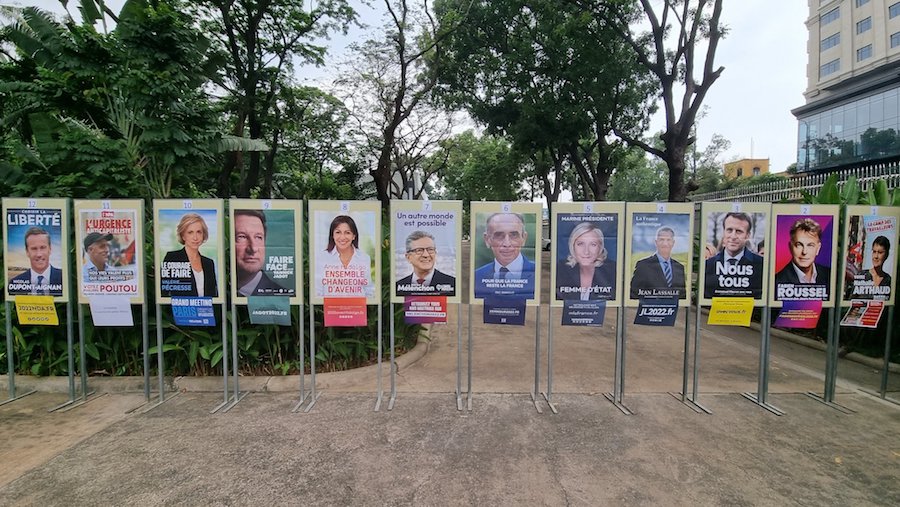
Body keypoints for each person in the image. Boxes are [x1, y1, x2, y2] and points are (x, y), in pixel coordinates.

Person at [473, 213, 536, 298]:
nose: (507, 244)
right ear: (487, 240)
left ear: (524, 238)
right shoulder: (477, 276)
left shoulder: (536, 273)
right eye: (499, 235)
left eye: (513, 235)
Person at [703, 212, 764, 299]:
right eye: (729, 230)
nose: (733, 236)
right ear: (724, 232)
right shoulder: (708, 265)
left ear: (747, 235)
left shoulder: (760, 265)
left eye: (739, 231)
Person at [316, 215, 375, 298]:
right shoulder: (322, 258)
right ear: (332, 235)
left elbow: (368, 289)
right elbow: (318, 291)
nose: (342, 237)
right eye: (338, 232)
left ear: (354, 236)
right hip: (332, 309)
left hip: (357, 309)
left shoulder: (364, 258)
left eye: (347, 233)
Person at [161, 213, 218, 297]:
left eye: (199, 232)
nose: (195, 237)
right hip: (181, 309)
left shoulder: (209, 263)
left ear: (203, 235)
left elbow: (214, 294)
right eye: (190, 232)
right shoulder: (172, 258)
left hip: (205, 310)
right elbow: (164, 292)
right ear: (183, 236)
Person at [556, 222, 616, 301]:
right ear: (572, 246)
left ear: (600, 248)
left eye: (593, 244)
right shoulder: (561, 269)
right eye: (580, 244)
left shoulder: (613, 271)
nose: (586, 251)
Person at [234, 209, 288, 296]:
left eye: (258, 237)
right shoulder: (217, 292)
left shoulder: (285, 298)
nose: (253, 248)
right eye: (242, 237)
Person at [774, 217, 830, 299]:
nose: (804, 252)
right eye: (799, 245)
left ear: (818, 248)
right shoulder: (777, 281)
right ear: (790, 247)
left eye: (810, 245)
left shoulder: (829, 276)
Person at [629, 226, 686, 299]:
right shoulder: (643, 265)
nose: (665, 244)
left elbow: (682, 294)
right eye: (661, 240)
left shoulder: (679, 267)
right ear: (656, 242)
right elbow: (634, 293)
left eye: (668, 240)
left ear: (673, 243)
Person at [396, 230, 455, 296]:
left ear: (435, 253)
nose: (426, 255)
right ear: (408, 257)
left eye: (430, 249)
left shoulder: (452, 284)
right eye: (419, 250)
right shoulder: (398, 286)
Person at [8, 227, 63, 296]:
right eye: (34, 249)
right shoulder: (15, 283)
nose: (39, 254)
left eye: (43, 248)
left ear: (50, 249)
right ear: (27, 252)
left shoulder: (63, 279)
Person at [848, 235, 892, 299]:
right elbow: (850, 302)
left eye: (880, 252)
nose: (876, 256)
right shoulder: (862, 275)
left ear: (886, 255)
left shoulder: (888, 280)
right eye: (874, 252)